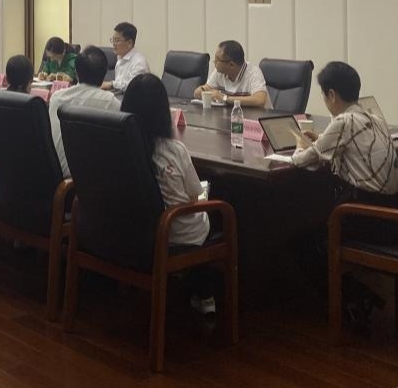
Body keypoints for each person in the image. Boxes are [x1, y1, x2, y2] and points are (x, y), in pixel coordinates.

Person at [120, 73, 215, 314]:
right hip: (174, 232)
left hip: (132, 228)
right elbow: (194, 195)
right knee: (216, 206)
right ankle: (204, 290)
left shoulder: (121, 144)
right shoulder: (173, 149)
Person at [290, 62, 398, 202]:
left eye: (323, 95)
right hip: (394, 205)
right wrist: (321, 138)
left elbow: (301, 160)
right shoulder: (376, 119)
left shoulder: (344, 121)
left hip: (366, 207)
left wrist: (300, 145)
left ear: (331, 95)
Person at [48, 46, 120, 177]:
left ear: (76, 72)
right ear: (105, 73)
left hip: (54, 174)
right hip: (85, 179)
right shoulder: (110, 102)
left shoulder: (57, 98)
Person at [194, 40, 268, 108]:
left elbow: (260, 100)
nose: (214, 62)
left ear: (231, 65)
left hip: (258, 117)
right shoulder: (219, 72)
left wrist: (225, 98)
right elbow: (207, 88)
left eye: (217, 60)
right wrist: (201, 90)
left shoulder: (253, 73)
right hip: (230, 115)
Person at [102, 22, 149, 93]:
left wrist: (111, 84)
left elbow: (132, 85)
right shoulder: (120, 58)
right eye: (113, 40)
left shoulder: (139, 62)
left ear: (129, 43)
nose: (113, 44)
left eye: (117, 40)